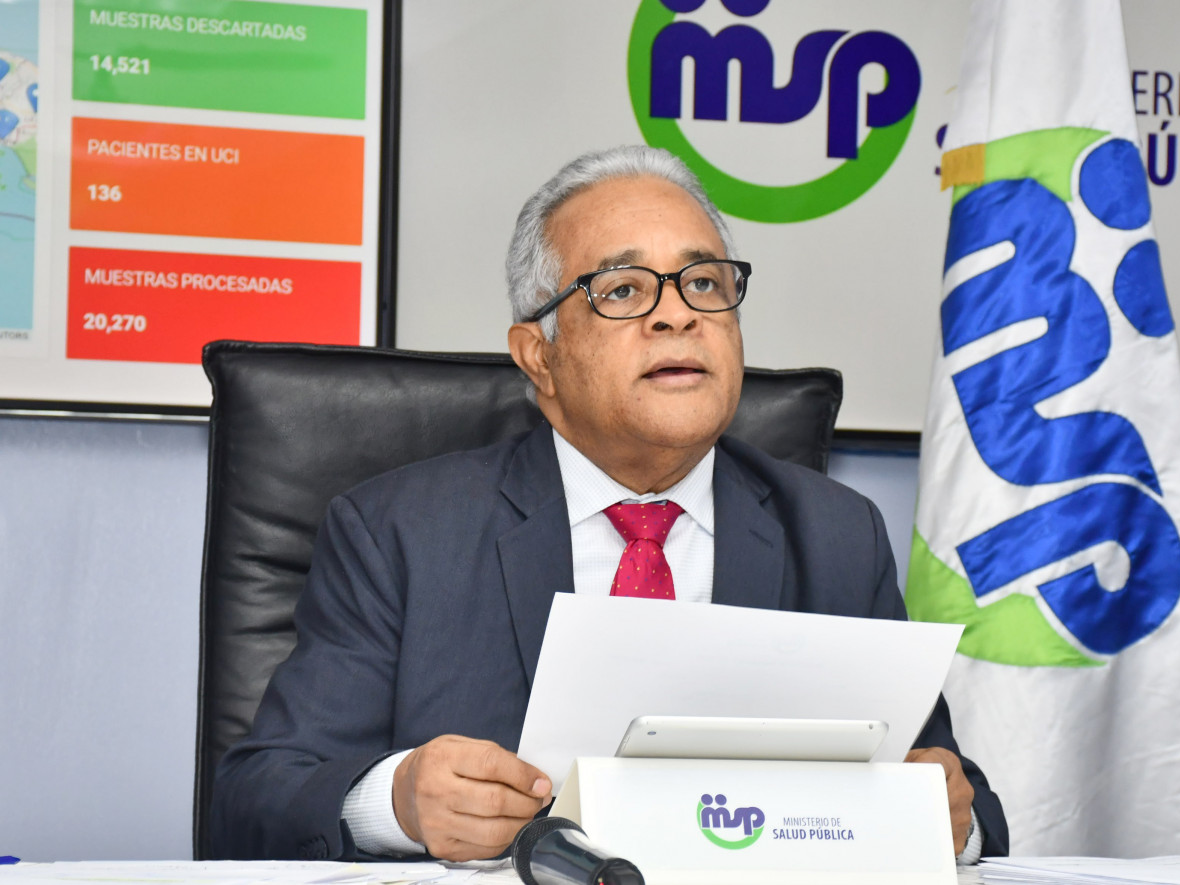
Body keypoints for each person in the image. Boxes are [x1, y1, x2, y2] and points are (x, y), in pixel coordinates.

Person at [210, 145, 1009, 863]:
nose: (678, 312)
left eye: (704, 282)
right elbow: (254, 799)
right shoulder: (400, 535)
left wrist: (953, 816)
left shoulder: (836, 535)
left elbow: (960, 798)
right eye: (623, 289)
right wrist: (400, 801)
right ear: (539, 356)